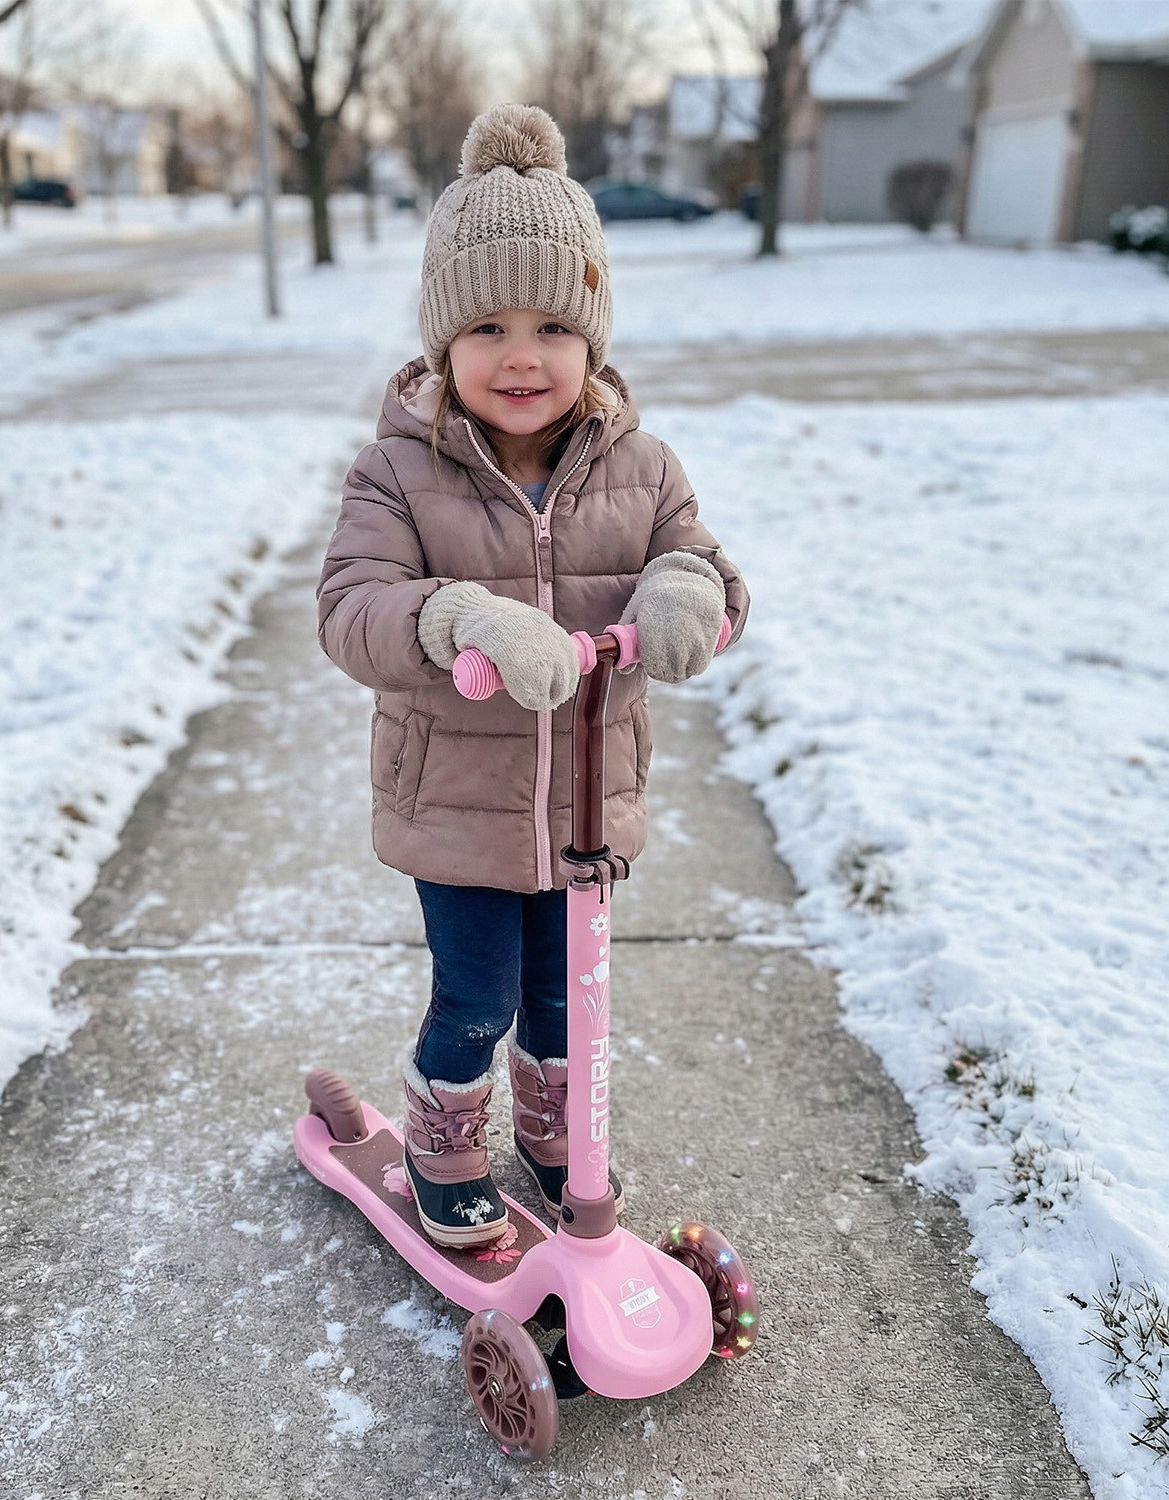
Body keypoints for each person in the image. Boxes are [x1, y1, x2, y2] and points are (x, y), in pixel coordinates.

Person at [317, 104, 749, 1250]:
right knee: (479, 998)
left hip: (587, 806)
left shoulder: (642, 467)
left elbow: (702, 563)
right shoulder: (397, 475)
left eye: (556, 324)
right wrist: (456, 614)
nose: (523, 356)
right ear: (442, 342)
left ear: (594, 338)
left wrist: (687, 594)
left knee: (569, 1002)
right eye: (489, 326)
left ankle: (557, 1133)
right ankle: (443, 1141)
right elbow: (351, 611)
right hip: (456, 806)